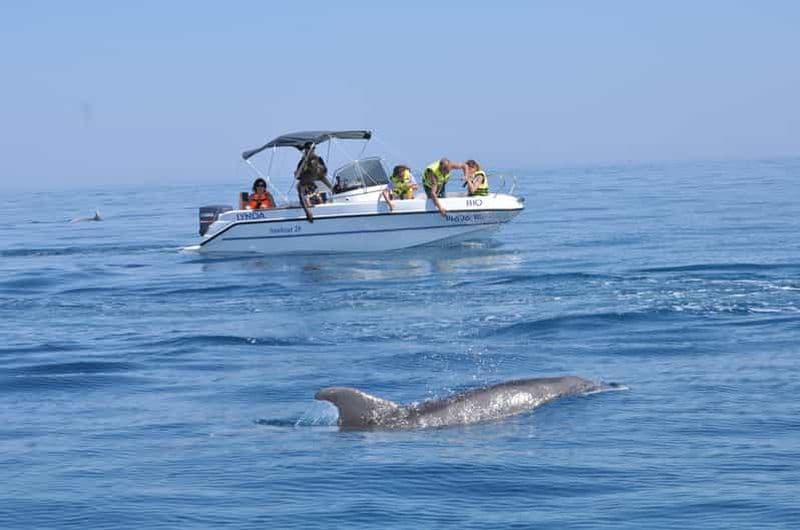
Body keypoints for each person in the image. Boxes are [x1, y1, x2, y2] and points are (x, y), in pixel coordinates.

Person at [295, 143, 333, 222]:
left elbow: (324, 173)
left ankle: (334, 193)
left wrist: (318, 167)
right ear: (306, 149)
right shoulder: (302, 162)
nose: (311, 150)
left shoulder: (318, 159)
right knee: (300, 188)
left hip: (317, 184)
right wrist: (304, 165)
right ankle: (307, 212)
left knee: (323, 182)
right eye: (309, 149)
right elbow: (297, 176)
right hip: (306, 185)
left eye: (313, 149)